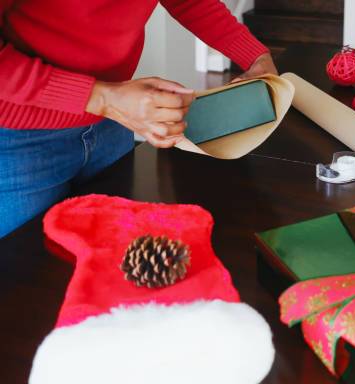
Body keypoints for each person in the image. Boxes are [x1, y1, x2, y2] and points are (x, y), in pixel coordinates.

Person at [0, 0, 277, 237]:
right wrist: (102, 98)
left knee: (111, 265)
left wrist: (254, 55)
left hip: (112, 121)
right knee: (26, 282)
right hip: (18, 139)